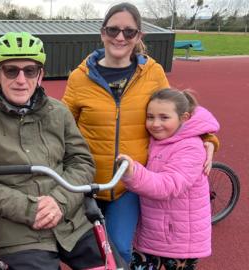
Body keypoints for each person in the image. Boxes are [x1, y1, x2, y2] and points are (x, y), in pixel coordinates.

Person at [61, 2, 218, 263]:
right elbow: (62, 125)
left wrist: (207, 138)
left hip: (130, 184)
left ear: (138, 37)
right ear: (102, 33)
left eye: (128, 32)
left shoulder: (152, 73)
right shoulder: (80, 77)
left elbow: (178, 111)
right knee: (83, 252)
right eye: (113, 30)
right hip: (86, 181)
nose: (120, 37)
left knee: (120, 249)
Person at [0, 32, 125, 269]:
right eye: (11, 70)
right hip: (17, 230)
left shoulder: (59, 111)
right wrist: (30, 209)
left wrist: (59, 202)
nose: (21, 79)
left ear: (40, 75)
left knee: (114, 265)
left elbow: (82, 161)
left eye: (30, 71)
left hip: (71, 221)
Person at [118, 88, 219, 269]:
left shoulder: (191, 148)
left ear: (184, 118)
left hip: (179, 240)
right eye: (150, 117)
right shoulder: (154, 139)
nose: (155, 124)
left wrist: (133, 173)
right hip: (152, 232)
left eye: (164, 118)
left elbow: (169, 185)